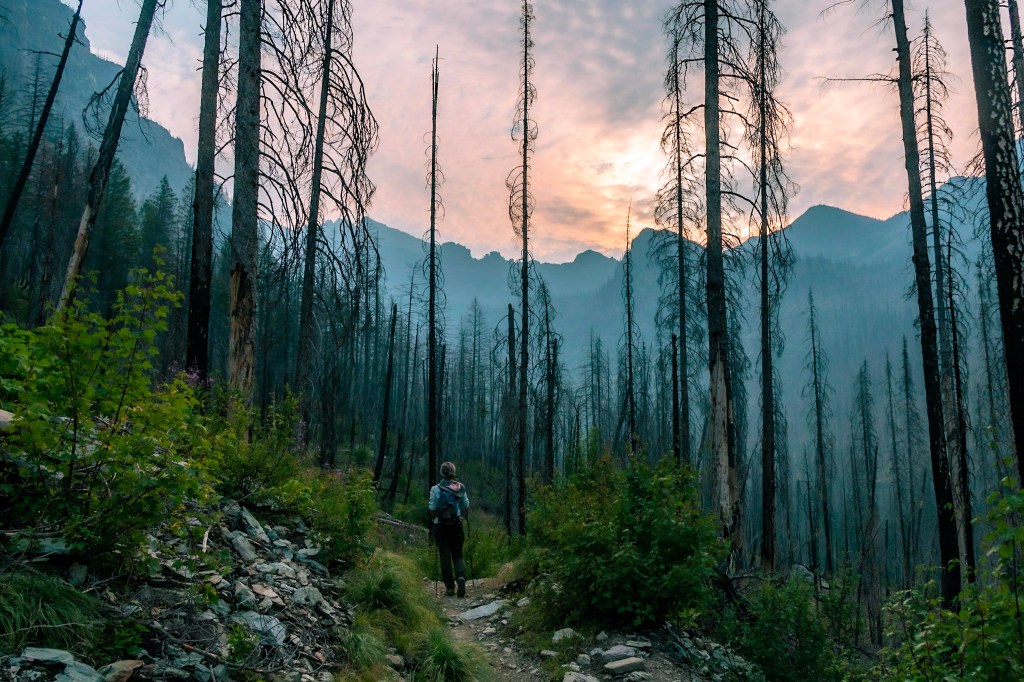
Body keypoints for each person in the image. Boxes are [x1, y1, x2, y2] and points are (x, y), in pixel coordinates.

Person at [428, 461, 470, 597]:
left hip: (440, 526)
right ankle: (461, 577)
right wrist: (460, 514)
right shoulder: (460, 487)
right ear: (453, 472)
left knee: (444, 556)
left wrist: (435, 520)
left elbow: (432, 508)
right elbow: (465, 505)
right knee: (458, 554)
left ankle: (450, 588)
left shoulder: (435, 489)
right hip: (456, 525)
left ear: (441, 473)